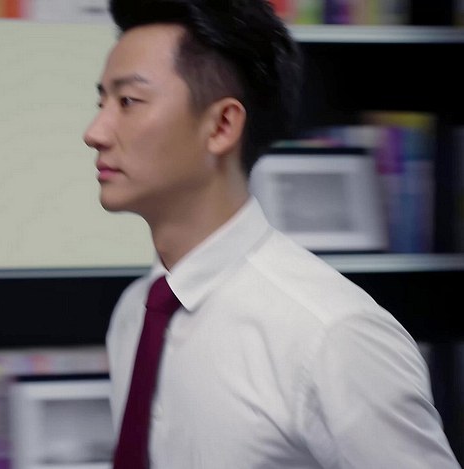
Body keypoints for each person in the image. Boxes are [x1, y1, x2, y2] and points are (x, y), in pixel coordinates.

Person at [82, 0, 461, 467]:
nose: (95, 132)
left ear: (222, 125)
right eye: (101, 102)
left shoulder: (331, 335)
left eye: (128, 102)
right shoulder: (136, 313)